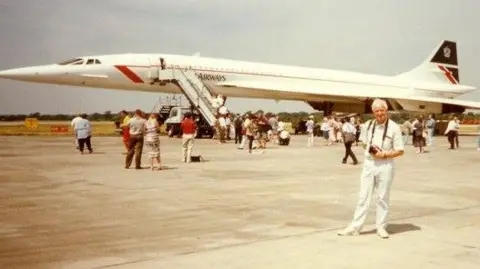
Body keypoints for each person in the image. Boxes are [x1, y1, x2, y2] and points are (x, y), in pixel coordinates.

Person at [338, 99, 404, 239]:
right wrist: (370, 148)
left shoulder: (394, 127)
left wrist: (384, 154)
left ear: (386, 111)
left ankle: (381, 226)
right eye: (377, 111)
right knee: (363, 196)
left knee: (382, 197)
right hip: (369, 163)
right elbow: (362, 141)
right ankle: (355, 227)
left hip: (385, 164)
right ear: (373, 112)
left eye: (382, 110)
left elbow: (400, 150)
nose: (380, 113)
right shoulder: (368, 125)